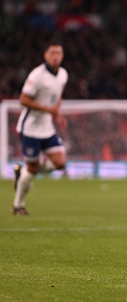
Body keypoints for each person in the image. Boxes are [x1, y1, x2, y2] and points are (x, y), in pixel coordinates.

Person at [12, 41, 69, 216]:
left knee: (60, 163)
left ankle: (22, 171)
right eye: (52, 52)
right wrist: (49, 110)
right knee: (33, 168)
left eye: (58, 52)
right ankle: (18, 205)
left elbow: (57, 95)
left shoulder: (63, 75)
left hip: (46, 127)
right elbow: (23, 100)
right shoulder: (37, 75)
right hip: (30, 128)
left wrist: (57, 113)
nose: (55, 56)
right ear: (45, 55)